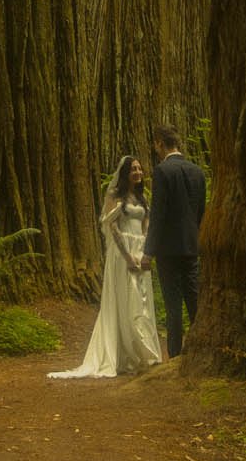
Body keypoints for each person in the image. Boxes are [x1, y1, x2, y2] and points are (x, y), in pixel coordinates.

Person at [48, 156, 162, 379]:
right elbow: (111, 225)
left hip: (140, 252)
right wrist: (129, 256)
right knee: (126, 299)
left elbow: (146, 225)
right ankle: (125, 352)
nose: (138, 172)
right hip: (123, 255)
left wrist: (144, 251)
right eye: (133, 169)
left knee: (143, 301)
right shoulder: (115, 196)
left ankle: (143, 352)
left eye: (139, 168)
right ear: (125, 173)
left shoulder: (142, 198)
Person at [143, 124, 206, 359]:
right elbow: (200, 211)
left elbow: (158, 214)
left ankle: (176, 356)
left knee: (173, 304)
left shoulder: (162, 171)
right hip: (191, 246)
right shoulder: (197, 171)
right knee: (194, 299)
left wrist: (148, 251)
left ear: (160, 142)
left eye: (155, 144)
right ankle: (201, 351)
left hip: (168, 249)